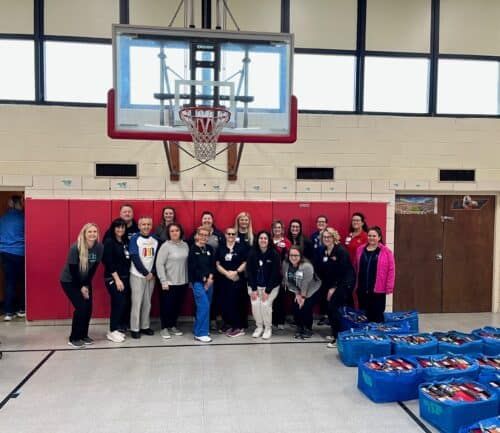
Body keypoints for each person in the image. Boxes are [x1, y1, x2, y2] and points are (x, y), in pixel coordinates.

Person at [60, 223, 103, 348]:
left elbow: (93, 269)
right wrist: (81, 287)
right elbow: (73, 270)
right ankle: (74, 338)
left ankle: (84, 335)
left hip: (85, 280)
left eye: (95, 231)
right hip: (70, 281)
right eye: (89, 232)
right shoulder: (76, 247)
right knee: (81, 307)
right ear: (84, 233)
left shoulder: (99, 247)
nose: (92, 234)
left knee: (88, 308)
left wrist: (86, 284)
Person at [316, 227, 356, 348]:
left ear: (334, 238)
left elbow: (342, 271)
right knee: (330, 308)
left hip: (344, 283)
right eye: (324, 237)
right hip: (331, 282)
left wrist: (333, 288)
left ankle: (338, 338)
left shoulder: (340, 251)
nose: (327, 239)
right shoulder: (324, 250)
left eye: (329, 237)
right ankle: (334, 333)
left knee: (334, 307)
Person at [355, 226, 395, 324]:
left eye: (374, 236)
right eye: (369, 236)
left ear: (379, 237)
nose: (371, 238)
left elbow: (391, 270)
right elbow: (356, 267)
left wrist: (389, 286)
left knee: (377, 316)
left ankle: (378, 336)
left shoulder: (386, 252)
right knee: (364, 315)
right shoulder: (360, 249)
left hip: (378, 290)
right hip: (362, 289)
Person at [156, 223, 189, 340]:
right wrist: (163, 281)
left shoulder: (185, 245)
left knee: (176, 306)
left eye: (177, 230)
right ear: (168, 233)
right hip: (169, 283)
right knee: (166, 306)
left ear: (181, 232)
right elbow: (159, 264)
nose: (175, 233)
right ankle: (164, 328)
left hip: (182, 282)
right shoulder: (165, 246)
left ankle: (172, 326)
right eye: (172, 231)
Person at [246, 231, 281, 340]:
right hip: (255, 285)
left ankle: (267, 328)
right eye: (261, 238)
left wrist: (268, 291)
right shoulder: (252, 253)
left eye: (265, 238)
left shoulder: (274, 254)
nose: (263, 240)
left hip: (270, 286)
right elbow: (249, 271)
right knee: (256, 304)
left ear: (268, 240)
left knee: (265, 305)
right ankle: (259, 327)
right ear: (258, 240)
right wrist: (254, 289)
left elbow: (275, 273)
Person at [128, 216, 158, 339]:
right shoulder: (135, 238)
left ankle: (145, 326)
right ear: (139, 226)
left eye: (148, 224)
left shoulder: (155, 239)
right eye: (143, 224)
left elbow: (157, 258)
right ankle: (134, 328)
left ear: (151, 226)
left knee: (147, 302)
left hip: (151, 276)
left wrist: (152, 272)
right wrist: (145, 272)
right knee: (137, 302)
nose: (146, 227)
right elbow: (134, 257)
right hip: (137, 275)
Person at [282, 247, 321, 340]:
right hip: (297, 289)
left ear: (300, 256)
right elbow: (287, 280)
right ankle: (299, 327)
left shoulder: (306, 266)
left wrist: (303, 297)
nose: (293, 257)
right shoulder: (285, 264)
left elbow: (305, 283)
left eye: (296, 255)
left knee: (305, 307)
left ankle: (308, 329)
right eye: (291, 255)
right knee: (296, 308)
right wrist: (296, 293)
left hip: (311, 289)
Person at [102, 218, 131, 343]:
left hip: (125, 277)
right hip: (113, 278)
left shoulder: (124, 241)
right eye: (118, 227)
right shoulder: (109, 242)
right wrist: (117, 279)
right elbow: (108, 262)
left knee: (121, 303)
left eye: (123, 227)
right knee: (119, 302)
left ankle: (115, 329)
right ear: (113, 228)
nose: (120, 229)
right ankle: (112, 330)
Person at [216, 227, 247, 337]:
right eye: (229, 234)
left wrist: (236, 272)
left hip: (237, 279)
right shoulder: (221, 248)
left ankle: (238, 327)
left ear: (236, 236)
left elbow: (245, 262)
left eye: (233, 234)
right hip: (224, 280)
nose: (231, 236)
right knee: (225, 303)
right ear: (225, 235)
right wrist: (226, 273)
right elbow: (217, 264)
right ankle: (229, 324)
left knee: (236, 303)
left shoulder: (241, 248)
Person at [188, 226, 216, 343]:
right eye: (202, 235)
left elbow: (212, 265)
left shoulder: (209, 248)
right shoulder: (193, 249)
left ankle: (199, 329)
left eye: (206, 235)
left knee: (206, 306)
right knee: (203, 305)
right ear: (197, 236)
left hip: (209, 282)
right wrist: (204, 279)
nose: (204, 237)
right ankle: (200, 334)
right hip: (198, 282)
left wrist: (210, 278)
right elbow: (193, 268)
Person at [0, 195, 25, 321]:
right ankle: (21, 309)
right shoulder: (23, 218)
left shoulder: (2, 219)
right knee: (22, 282)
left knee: (9, 282)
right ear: (19, 203)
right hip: (20, 253)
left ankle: (9, 311)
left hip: (4, 253)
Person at [270, 220, 291, 330]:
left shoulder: (286, 242)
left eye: (279, 227)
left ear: (282, 230)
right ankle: (272, 320)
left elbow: (290, 258)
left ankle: (280, 321)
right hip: (270, 274)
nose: (277, 229)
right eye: (275, 228)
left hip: (282, 274)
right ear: (272, 230)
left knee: (281, 298)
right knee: (271, 298)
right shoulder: (269, 241)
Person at [311, 215, 330, 326]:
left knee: (328, 292)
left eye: (323, 221)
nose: (321, 223)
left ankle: (328, 315)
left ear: (326, 224)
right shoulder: (313, 236)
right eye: (319, 221)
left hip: (327, 269)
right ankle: (322, 315)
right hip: (317, 268)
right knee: (320, 293)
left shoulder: (329, 235)